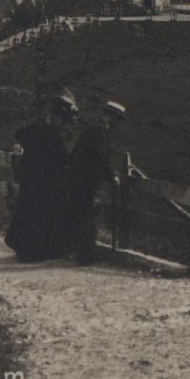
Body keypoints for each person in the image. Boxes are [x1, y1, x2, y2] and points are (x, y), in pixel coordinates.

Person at [4, 91, 77, 262]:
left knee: (29, 212)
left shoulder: (39, 130)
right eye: (60, 118)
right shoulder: (51, 134)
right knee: (39, 214)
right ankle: (36, 251)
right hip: (43, 180)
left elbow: (20, 134)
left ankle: (26, 249)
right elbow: (60, 158)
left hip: (31, 179)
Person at [65, 99, 123, 264]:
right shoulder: (100, 133)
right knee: (87, 218)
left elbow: (74, 154)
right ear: (108, 117)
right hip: (85, 182)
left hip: (77, 180)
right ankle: (85, 256)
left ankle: (79, 253)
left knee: (81, 216)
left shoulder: (91, 131)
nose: (116, 123)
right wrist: (113, 177)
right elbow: (102, 158)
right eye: (115, 118)